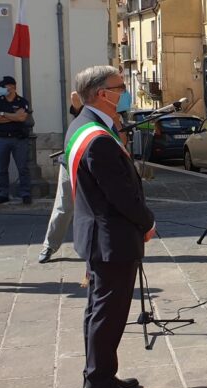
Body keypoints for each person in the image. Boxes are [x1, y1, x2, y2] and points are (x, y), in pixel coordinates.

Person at [66, 66, 155, 388]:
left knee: (98, 309)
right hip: (111, 239)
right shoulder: (97, 139)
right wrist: (146, 221)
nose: (125, 92)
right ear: (103, 94)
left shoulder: (84, 126)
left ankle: (99, 373)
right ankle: (99, 383)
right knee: (109, 312)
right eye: (121, 87)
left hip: (98, 235)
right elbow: (120, 193)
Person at [39, 87, 131, 264]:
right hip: (73, 162)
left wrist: (115, 120)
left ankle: (97, 245)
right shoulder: (87, 110)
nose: (120, 96)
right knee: (64, 205)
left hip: (97, 165)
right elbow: (74, 97)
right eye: (117, 90)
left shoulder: (114, 117)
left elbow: (121, 142)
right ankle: (49, 245)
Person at [0, 76, 33, 205]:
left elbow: (22, 118)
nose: (1, 89)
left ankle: (25, 193)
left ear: (12, 87)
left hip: (18, 139)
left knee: (23, 167)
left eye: (3, 86)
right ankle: (3, 194)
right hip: (1, 139)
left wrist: (2, 114)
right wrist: (13, 116)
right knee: (1, 168)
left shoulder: (22, 101)